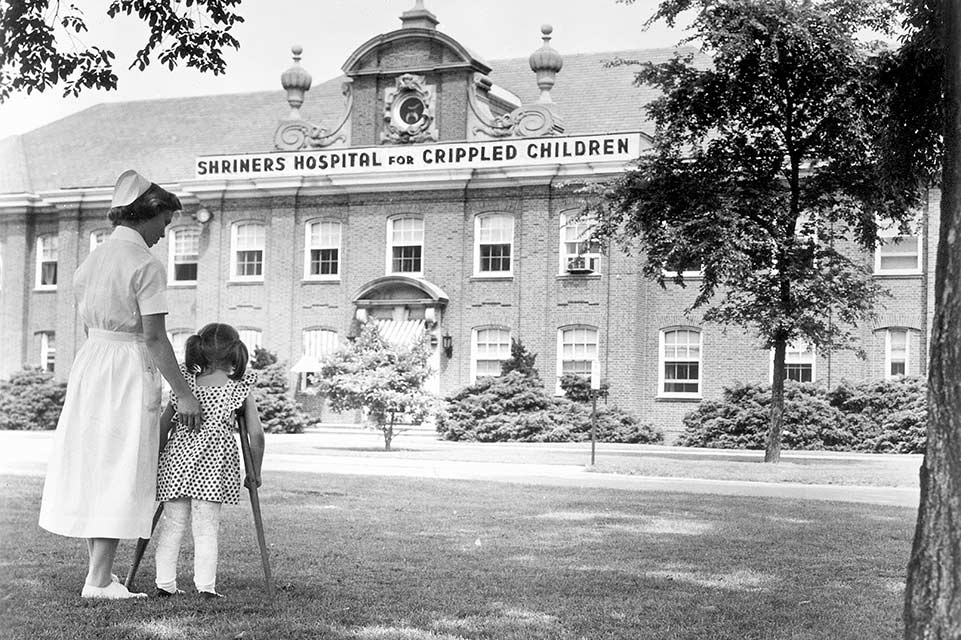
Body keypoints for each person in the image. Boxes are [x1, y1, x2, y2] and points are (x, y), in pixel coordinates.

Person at [38, 169, 203, 599]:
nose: (164, 234)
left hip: (93, 363)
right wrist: (184, 392)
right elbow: (153, 336)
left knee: (99, 464)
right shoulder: (144, 263)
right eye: (164, 223)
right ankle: (97, 580)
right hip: (127, 366)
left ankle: (101, 574)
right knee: (119, 465)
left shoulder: (92, 260)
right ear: (147, 215)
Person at [153, 323, 265, 599]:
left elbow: (163, 426)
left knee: (172, 525)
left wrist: (154, 460)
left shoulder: (184, 385)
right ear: (236, 352)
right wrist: (255, 472)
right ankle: (205, 587)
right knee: (206, 529)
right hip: (212, 470)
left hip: (175, 466)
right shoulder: (238, 387)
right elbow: (256, 435)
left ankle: (164, 584)